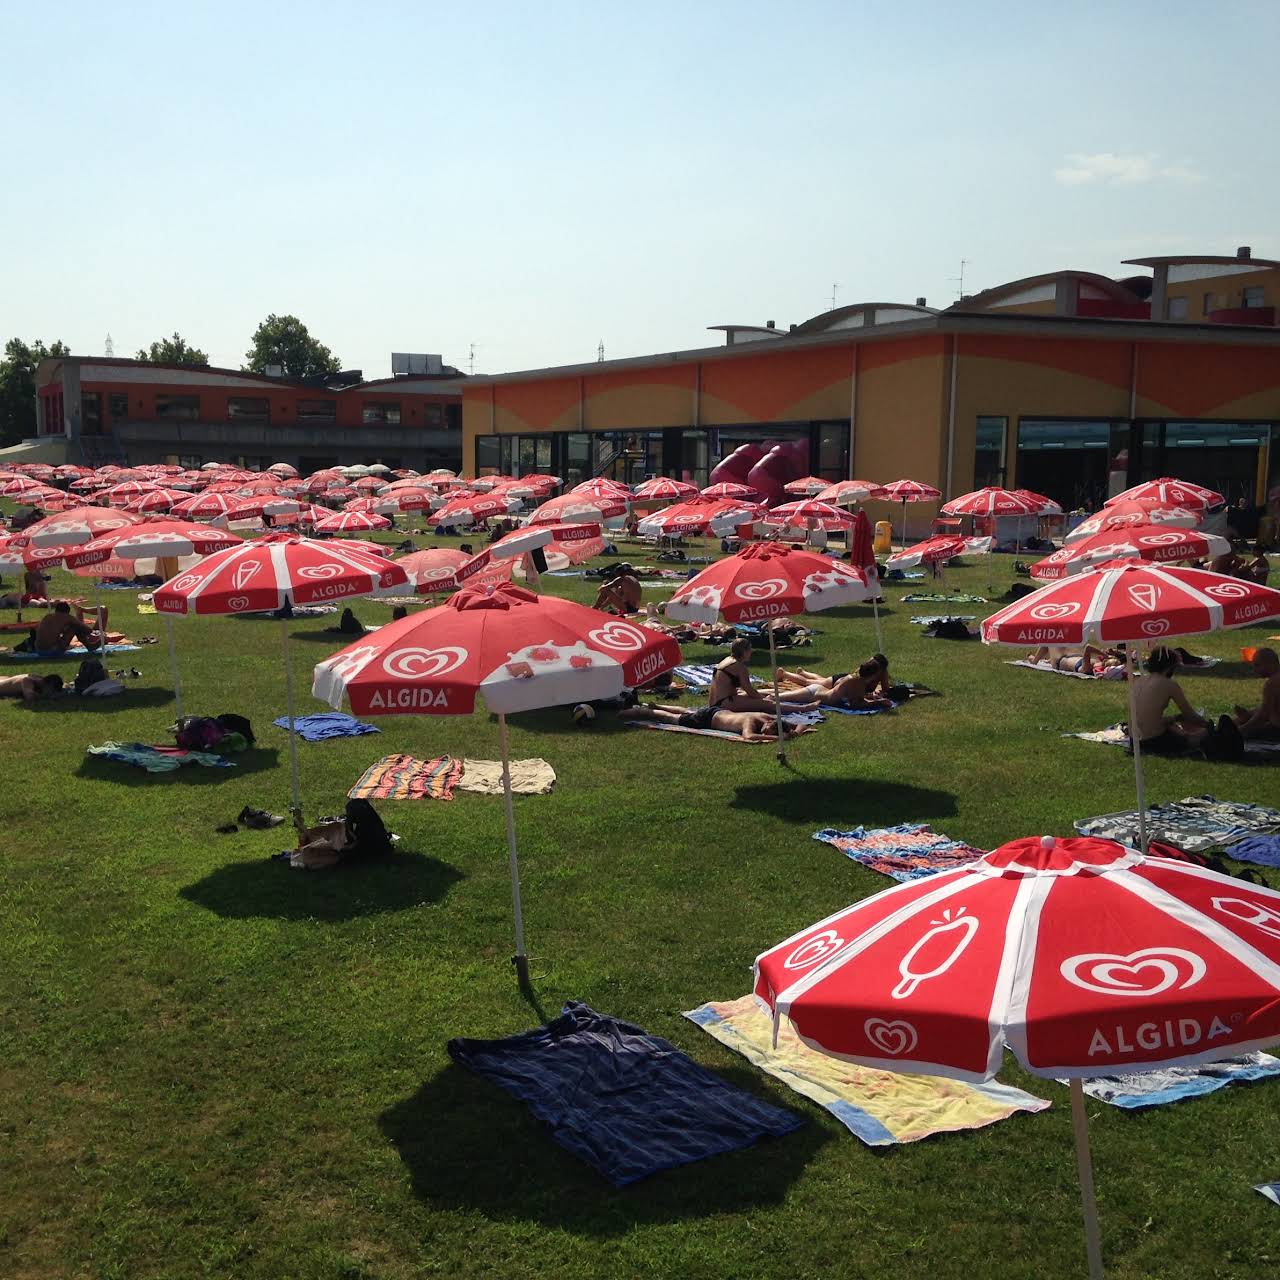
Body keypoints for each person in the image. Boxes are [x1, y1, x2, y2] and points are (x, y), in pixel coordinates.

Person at [1129, 647, 1209, 753]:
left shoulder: (1139, 680)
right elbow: (1190, 715)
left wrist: (1172, 718)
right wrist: (1208, 725)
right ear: (1170, 667)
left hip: (1133, 740)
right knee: (1199, 737)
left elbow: (1145, 717)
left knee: (1173, 724)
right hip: (1152, 741)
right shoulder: (1169, 684)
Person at [709, 638, 821, 711]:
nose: (751, 652)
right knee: (768, 704)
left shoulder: (727, 660)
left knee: (767, 693)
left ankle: (789, 701)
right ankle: (805, 708)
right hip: (723, 705)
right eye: (750, 649)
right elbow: (750, 691)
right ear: (744, 651)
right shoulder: (739, 667)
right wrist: (763, 700)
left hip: (718, 701)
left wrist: (762, 695)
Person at [617, 701, 804, 742]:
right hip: (706, 719)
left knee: (686, 712)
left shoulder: (770, 719)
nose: (764, 733)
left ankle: (657, 704)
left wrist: (796, 731)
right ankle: (638, 711)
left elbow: (803, 724)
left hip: (717, 712)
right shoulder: (752, 721)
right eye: (768, 731)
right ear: (772, 724)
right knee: (666, 718)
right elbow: (748, 736)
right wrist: (780, 739)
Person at [775, 659, 893, 709]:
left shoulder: (857, 679)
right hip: (814, 694)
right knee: (777, 698)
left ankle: (761, 694)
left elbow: (857, 700)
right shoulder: (859, 683)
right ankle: (759, 696)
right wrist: (878, 703)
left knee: (779, 696)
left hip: (818, 692)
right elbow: (855, 704)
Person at [1233, 648, 1280, 741]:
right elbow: (1269, 708)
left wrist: (1241, 730)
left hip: (1276, 732)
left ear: (1271, 664)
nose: (1254, 670)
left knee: (1238, 730)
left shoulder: (1272, 683)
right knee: (1240, 720)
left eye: (1257, 665)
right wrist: (1249, 715)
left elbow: (1263, 716)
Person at [33, 601, 101, 654]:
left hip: (39, 650)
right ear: (67, 612)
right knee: (75, 627)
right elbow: (86, 629)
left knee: (74, 627)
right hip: (52, 651)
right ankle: (89, 646)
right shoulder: (67, 617)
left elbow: (51, 632)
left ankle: (89, 646)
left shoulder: (48, 617)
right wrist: (96, 633)